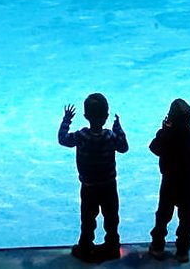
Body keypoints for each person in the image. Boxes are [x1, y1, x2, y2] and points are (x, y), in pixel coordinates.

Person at [59, 93, 128, 263]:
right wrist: (118, 127)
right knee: (111, 217)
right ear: (106, 116)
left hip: (89, 186)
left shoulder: (81, 136)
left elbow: (62, 139)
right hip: (109, 185)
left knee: (88, 218)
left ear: (85, 116)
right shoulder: (110, 136)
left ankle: (85, 247)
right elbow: (124, 147)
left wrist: (66, 120)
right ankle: (112, 246)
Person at [147, 98, 190, 263]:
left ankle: (157, 246)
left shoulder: (166, 135)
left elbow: (154, 148)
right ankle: (182, 251)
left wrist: (165, 130)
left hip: (170, 181)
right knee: (187, 216)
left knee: (163, 214)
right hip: (188, 181)